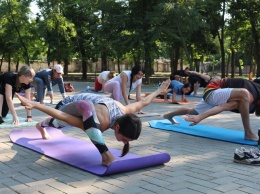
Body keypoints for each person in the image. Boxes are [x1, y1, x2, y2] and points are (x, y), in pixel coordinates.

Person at [15, 79, 171, 166]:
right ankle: (106, 156)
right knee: (72, 114)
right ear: (117, 127)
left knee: (56, 124)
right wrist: (36, 105)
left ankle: (41, 125)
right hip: (68, 105)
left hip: (80, 111)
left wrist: (158, 91)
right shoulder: (99, 123)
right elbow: (64, 115)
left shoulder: (124, 112)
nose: (123, 142)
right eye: (124, 139)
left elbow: (142, 102)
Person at [163, 78, 260, 141]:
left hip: (213, 95)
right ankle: (248, 133)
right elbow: (223, 106)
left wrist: (199, 117)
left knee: (191, 112)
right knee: (244, 93)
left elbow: (223, 107)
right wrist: (200, 117)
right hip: (212, 90)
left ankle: (168, 115)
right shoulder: (250, 94)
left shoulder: (247, 99)